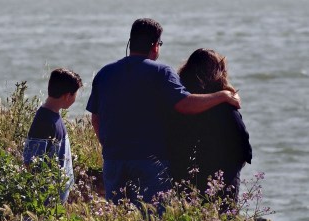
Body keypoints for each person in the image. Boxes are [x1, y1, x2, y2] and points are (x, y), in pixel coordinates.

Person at [86, 18, 241, 207]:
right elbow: (185, 104)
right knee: (153, 219)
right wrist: (222, 95)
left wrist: (109, 146)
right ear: (155, 45)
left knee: (120, 216)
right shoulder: (161, 72)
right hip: (150, 161)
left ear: (131, 41)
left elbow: (96, 118)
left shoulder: (105, 73)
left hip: (113, 160)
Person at [168, 48, 252, 203]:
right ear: (218, 72)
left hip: (183, 176)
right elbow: (242, 144)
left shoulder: (180, 104)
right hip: (223, 179)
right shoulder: (225, 105)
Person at [23, 68, 83, 203]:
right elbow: (30, 162)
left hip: (56, 198)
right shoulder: (44, 120)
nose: (75, 98)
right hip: (47, 200)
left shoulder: (53, 115)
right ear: (67, 96)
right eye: (75, 94)